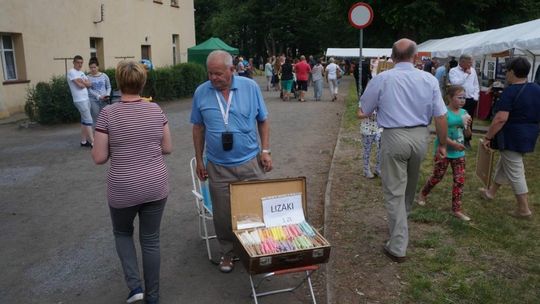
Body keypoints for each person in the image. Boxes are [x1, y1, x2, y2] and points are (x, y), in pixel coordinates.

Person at [91, 60, 172, 304]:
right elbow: (167, 148)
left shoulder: (108, 114)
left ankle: (135, 287)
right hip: (155, 186)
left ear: (117, 83)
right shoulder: (156, 110)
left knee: (123, 233)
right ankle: (153, 296)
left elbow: (99, 158)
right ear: (142, 82)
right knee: (151, 240)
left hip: (123, 188)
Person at [360, 38, 448, 263]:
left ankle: (398, 244)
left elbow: (364, 109)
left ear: (392, 57)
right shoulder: (428, 79)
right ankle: (401, 224)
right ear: (415, 56)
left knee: (393, 190)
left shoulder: (382, 78)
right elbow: (440, 115)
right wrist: (443, 144)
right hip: (420, 135)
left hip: (394, 135)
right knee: (409, 185)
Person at [191, 50, 272, 273]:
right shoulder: (201, 92)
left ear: (231, 70)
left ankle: (257, 249)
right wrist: (199, 160)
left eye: (218, 73)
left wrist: (265, 151)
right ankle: (228, 252)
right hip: (217, 165)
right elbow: (198, 128)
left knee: (255, 208)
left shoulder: (250, 87)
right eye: (210, 74)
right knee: (223, 214)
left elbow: (263, 121)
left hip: (250, 161)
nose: (214, 78)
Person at [480, 57, 540, 218]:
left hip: (512, 136)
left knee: (516, 171)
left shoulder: (510, 91)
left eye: (507, 70)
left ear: (512, 72)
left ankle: (524, 209)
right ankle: (491, 192)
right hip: (529, 134)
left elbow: (500, 119)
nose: (506, 73)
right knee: (504, 163)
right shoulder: (536, 88)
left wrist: (488, 137)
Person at [418, 85, 472, 221]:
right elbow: (441, 134)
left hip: (459, 153)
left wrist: (468, 126)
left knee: (459, 180)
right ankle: (423, 193)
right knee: (437, 176)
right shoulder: (444, 113)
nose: (462, 100)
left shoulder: (464, 112)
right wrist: (454, 144)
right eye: (459, 97)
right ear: (450, 97)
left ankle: (457, 209)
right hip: (444, 151)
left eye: (464, 98)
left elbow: (467, 134)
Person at [449, 54, 479, 149]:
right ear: (462, 62)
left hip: (470, 99)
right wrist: (466, 74)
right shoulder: (453, 71)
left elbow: (476, 84)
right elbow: (456, 84)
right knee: (458, 118)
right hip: (458, 99)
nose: (471, 64)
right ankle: (455, 138)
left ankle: (467, 140)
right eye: (469, 62)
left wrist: (476, 96)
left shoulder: (473, 70)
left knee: (469, 120)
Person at [67, 55, 94, 147]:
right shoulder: (71, 72)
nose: (80, 64)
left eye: (81, 63)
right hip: (79, 100)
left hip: (86, 98)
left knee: (84, 120)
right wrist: (83, 82)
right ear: (74, 63)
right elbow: (80, 86)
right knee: (88, 119)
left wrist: (82, 81)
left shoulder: (81, 73)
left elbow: (89, 84)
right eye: (78, 62)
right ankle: (93, 142)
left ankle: (83, 141)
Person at [356, 105, 382, 179]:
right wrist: (367, 114)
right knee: (367, 151)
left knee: (381, 150)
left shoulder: (380, 99)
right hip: (367, 130)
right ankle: (366, 170)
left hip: (379, 129)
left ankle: (378, 169)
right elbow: (358, 115)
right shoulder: (364, 100)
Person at [87, 57, 111, 128]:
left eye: (94, 67)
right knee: (96, 117)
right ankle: (96, 135)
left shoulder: (104, 76)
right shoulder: (87, 77)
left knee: (106, 117)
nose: (93, 69)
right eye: (91, 68)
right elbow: (89, 90)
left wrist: (107, 95)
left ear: (98, 67)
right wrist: (98, 96)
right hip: (93, 100)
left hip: (105, 99)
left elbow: (109, 87)